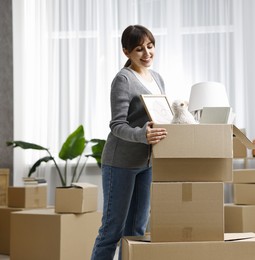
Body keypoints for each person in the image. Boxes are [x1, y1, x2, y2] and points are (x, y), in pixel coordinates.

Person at [91, 25, 168, 260]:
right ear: (126, 52)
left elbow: (158, 117)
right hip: (120, 163)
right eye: (139, 49)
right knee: (111, 231)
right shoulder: (123, 80)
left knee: (136, 230)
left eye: (150, 46)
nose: (147, 53)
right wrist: (141, 135)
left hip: (146, 163)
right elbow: (117, 125)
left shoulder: (158, 78)